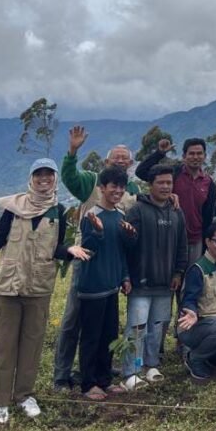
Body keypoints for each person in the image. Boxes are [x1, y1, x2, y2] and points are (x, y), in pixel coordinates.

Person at [0, 159, 76, 425]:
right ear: (31, 178)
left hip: (39, 287)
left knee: (32, 344)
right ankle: (0, 402)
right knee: (4, 346)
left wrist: (69, 251)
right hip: (9, 287)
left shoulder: (59, 210)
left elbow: (57, 248)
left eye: (49, 175)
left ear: (55, 179)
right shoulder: (13, 208)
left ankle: (24, 395)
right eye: (39, 175)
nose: (44, 180)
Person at [53, 125, 142, 391]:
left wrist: (125, 275)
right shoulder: (91, 184)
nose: (121, 162)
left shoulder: (131, 191)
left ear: (131, 165)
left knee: (106, 329)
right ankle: (64, 375)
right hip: (89, 269)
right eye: (116, 158)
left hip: (113, 273)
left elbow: (129, 236)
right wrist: (72, 151)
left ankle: (102, 373)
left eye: (125, 159)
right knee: (75, 324)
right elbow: (69, 176)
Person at [120, 164, 189, 390]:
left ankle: (151, 365)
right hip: (140, 283)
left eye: (169, 182)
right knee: (137, 328)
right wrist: (126, 276)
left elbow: (182, 246)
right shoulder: (137, 210)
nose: (165, 186)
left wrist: (178, 272)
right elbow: (125, 246)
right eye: (161, 182)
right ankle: (132, 370)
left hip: (165, 283)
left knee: (157, 327)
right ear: (151, 185)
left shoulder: (176, 212)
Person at [73, 166, 135, 401]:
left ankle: (104, 379)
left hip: (111, 287)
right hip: (92, 287)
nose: (118, 191)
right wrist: (97, 233)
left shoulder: (120, 216)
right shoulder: (92, 216)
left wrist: (125, 277)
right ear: (102, 188)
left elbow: (121, 253)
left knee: (109, 335)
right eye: (113, 186)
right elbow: (87, 250)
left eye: (121, 187)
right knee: (91, 337)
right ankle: (88, 383)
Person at [136, 137, 216, 265]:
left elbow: (208, 217)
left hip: (195, 241)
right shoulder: (173, 174)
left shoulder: (209, 184)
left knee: (191, 279)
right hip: (168, 238)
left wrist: (206, 244)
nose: (195, 157)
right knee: (169, 278)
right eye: (191, 153)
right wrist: (160, 153)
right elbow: (141, 172)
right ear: (184, 156)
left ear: (205, 156)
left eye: (199, 153)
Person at [178, 221, 216, 381]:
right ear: (208, 242)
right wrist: (191, 313)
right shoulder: (197, 269)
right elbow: (189, 299)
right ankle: (194, 358)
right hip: (196, 326)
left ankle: (211, 356)